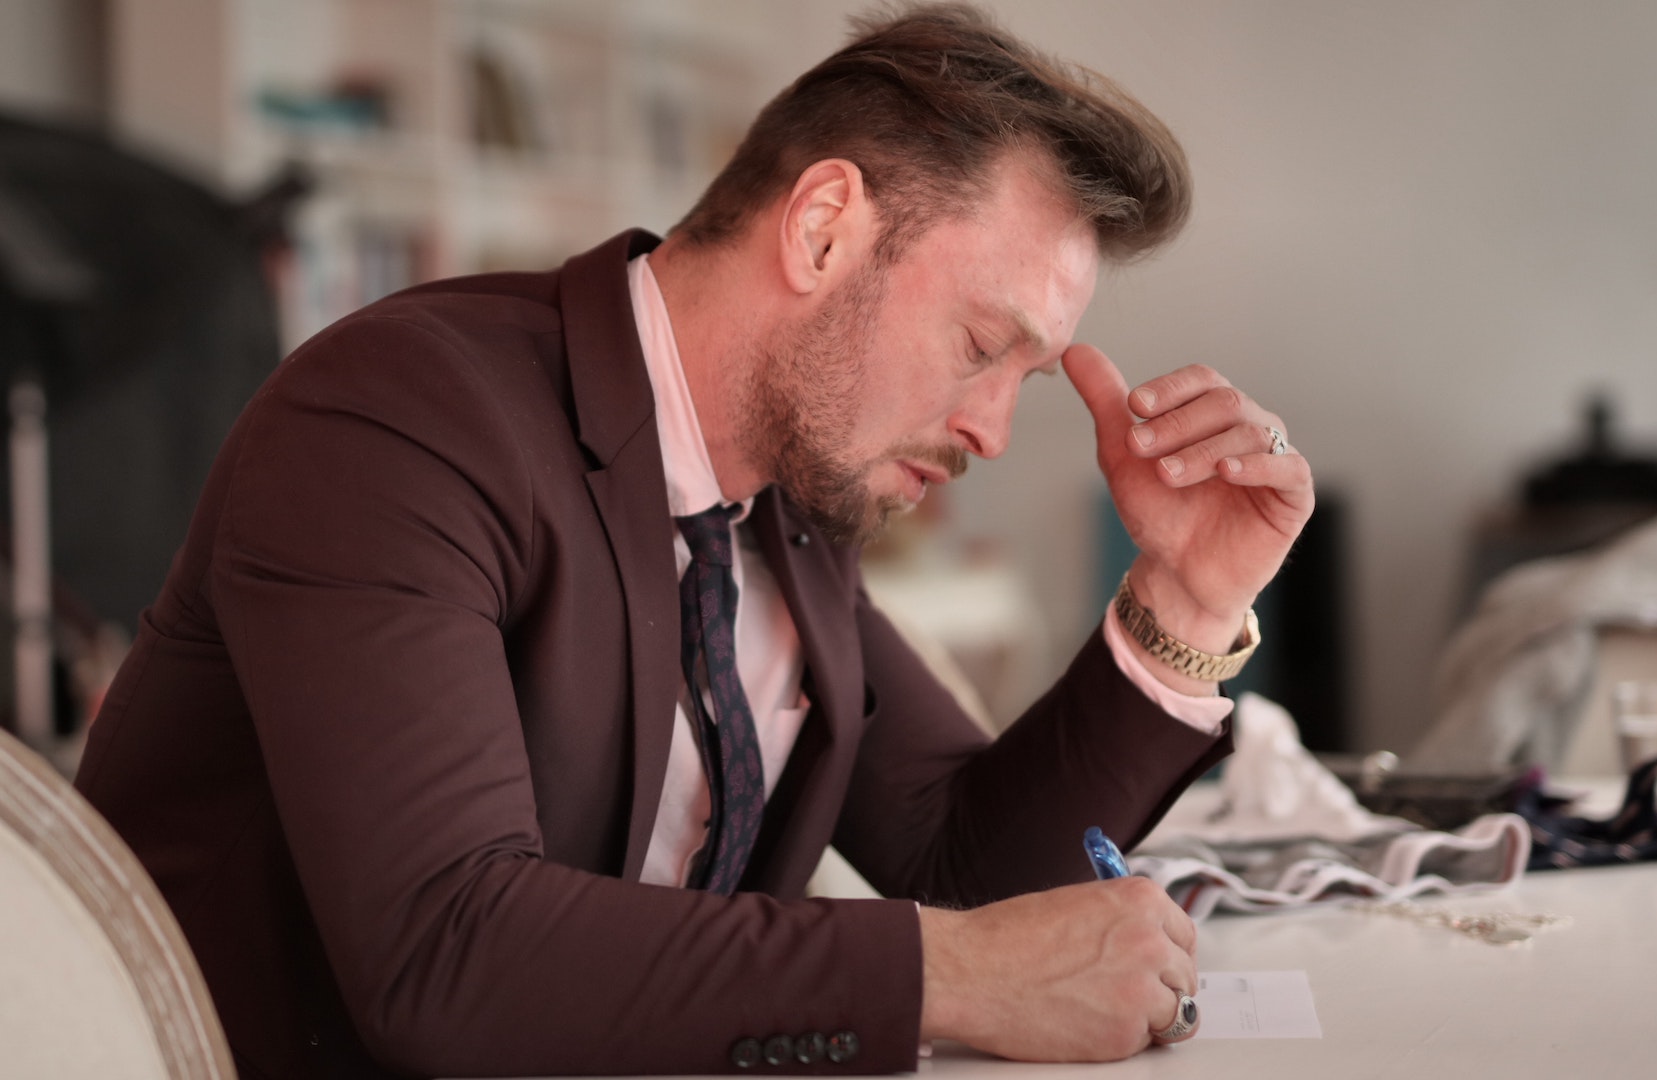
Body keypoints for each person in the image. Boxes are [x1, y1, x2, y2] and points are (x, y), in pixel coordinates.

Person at [75, 4, 1314, 1077]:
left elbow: (966, 863)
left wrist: (1189, 606)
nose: (991, 429)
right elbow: (441, 948)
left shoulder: (790, 496)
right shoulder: (399, 419)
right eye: (985, 348)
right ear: (824, 227)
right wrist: (954, 976)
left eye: (1026, 380)